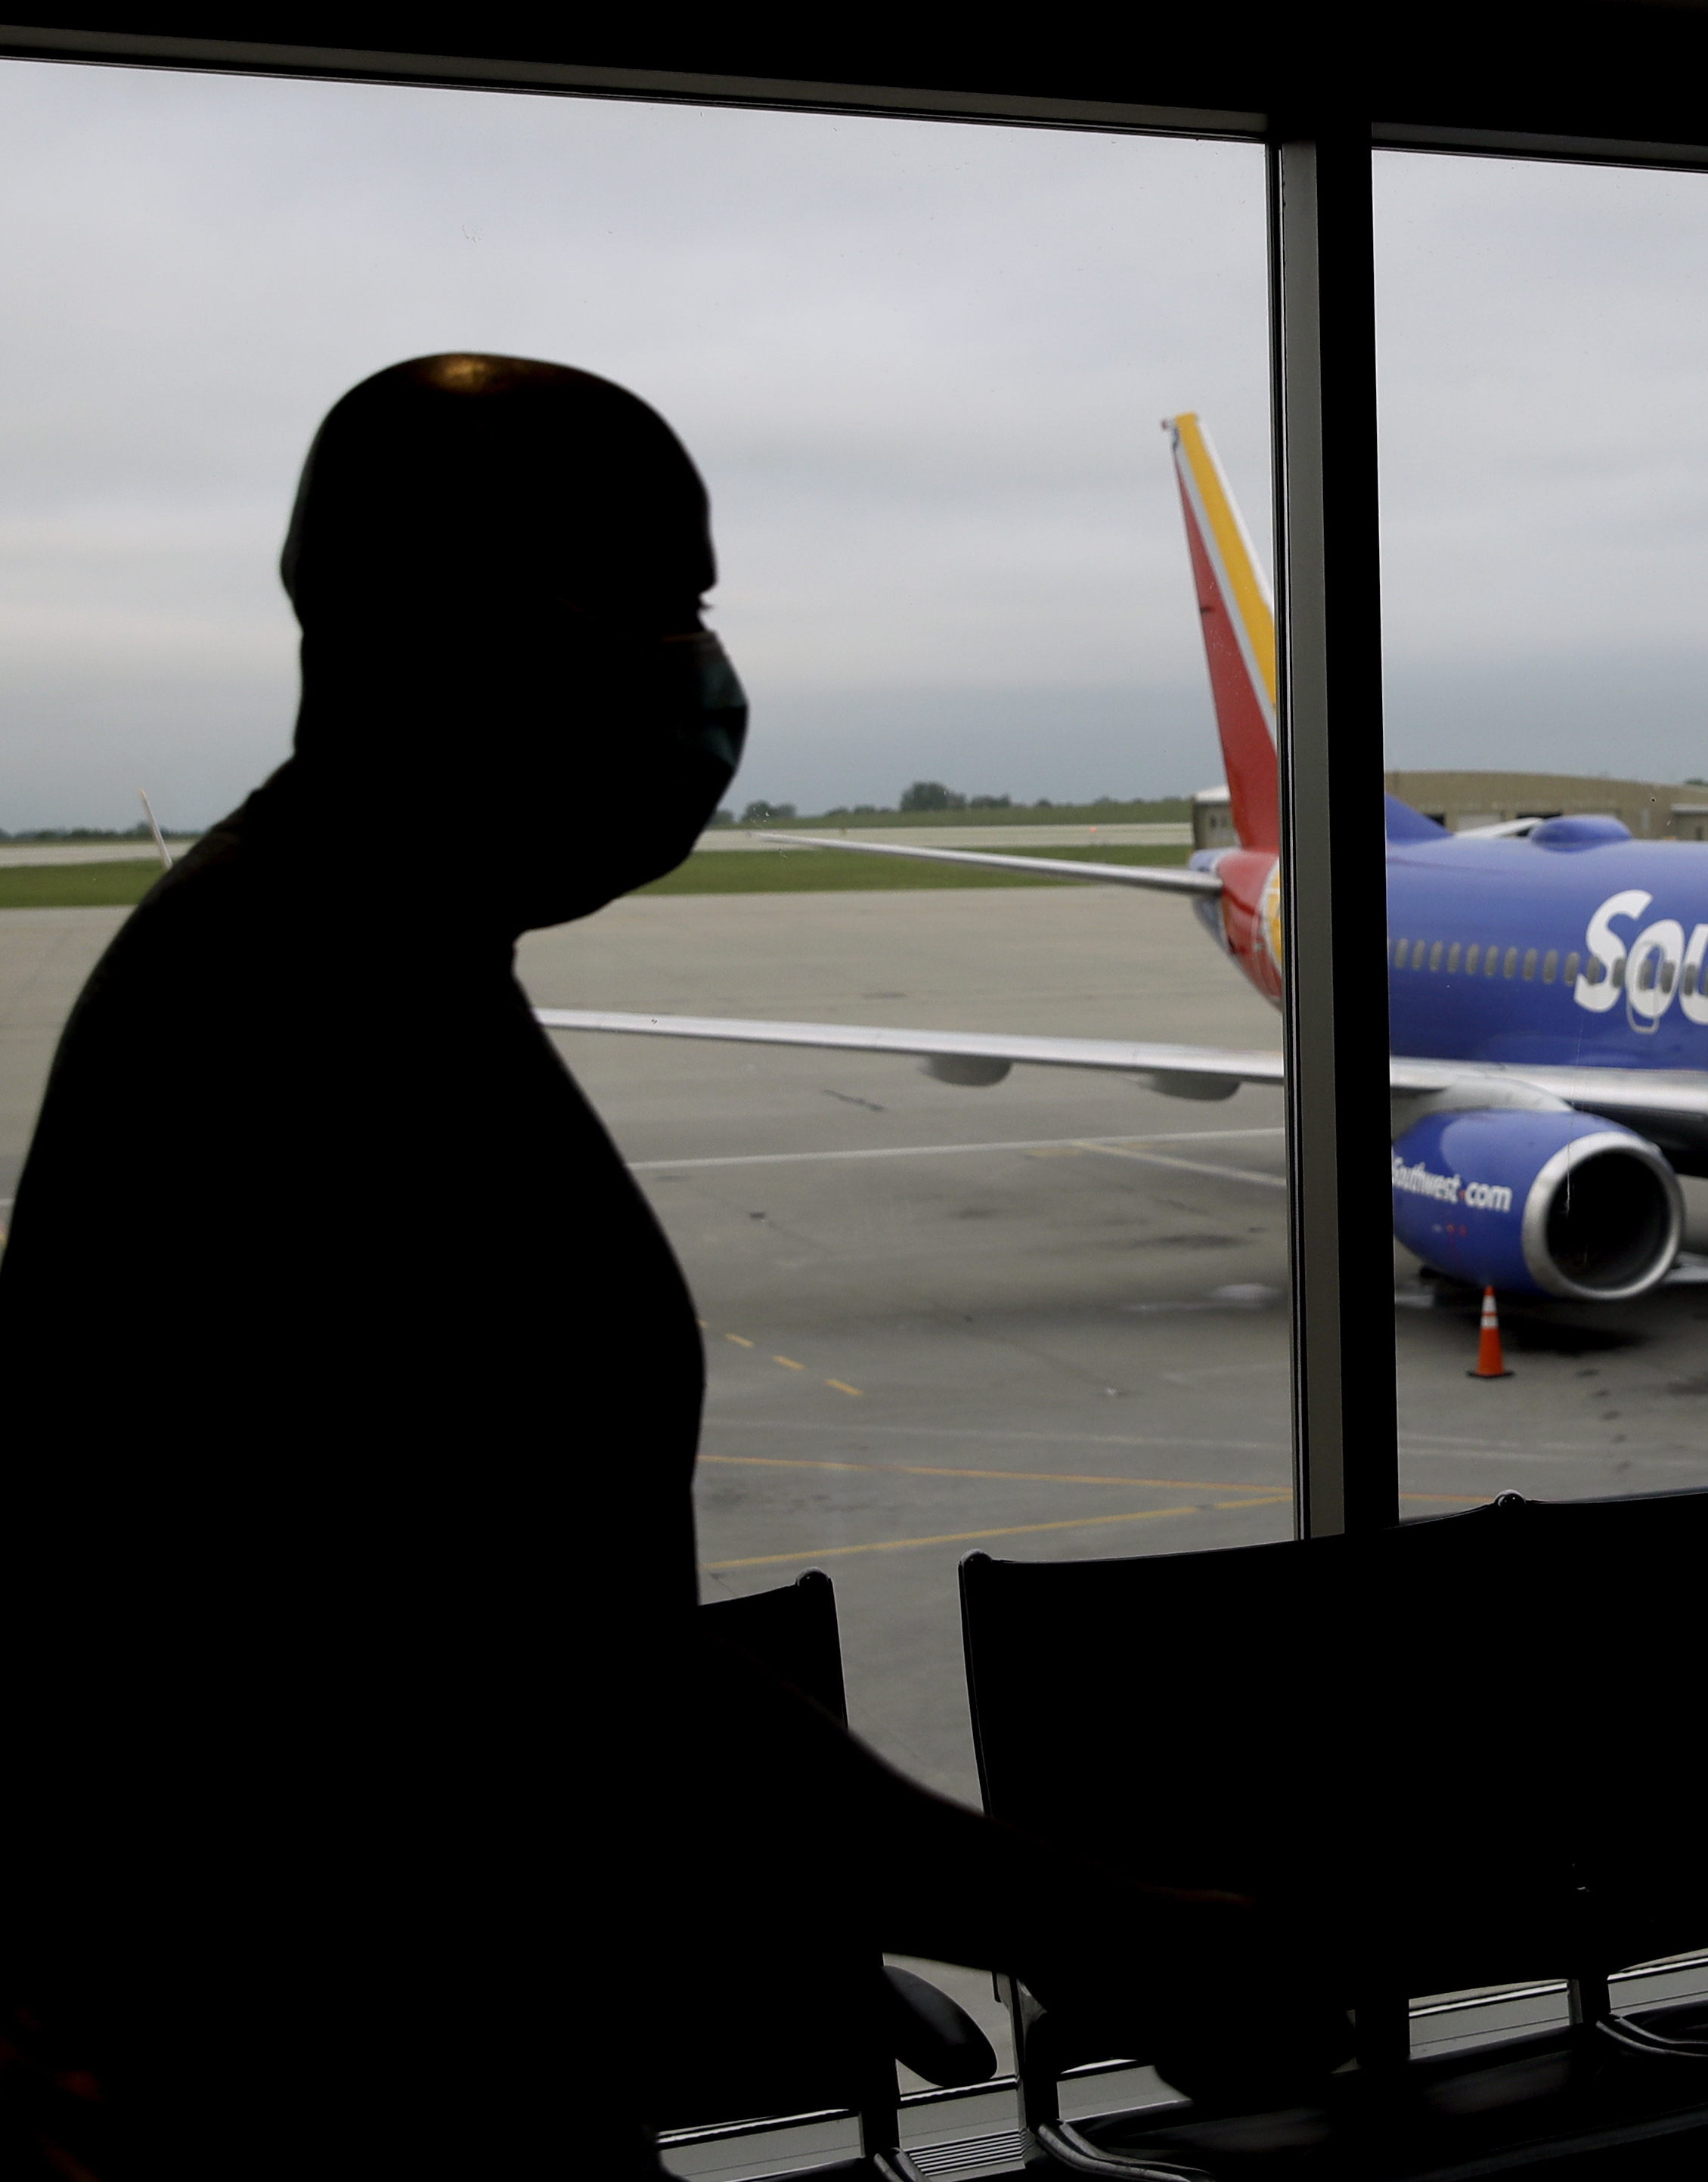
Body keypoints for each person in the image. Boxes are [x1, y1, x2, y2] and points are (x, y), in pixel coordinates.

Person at [0, 355, 1338, 2179]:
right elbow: (556, 1686)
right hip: (332, 2093)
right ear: (472, 616)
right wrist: (1108, 1929)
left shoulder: (357, 962)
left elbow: (511, 1654)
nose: (702, 675)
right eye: (669, 605)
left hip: (414, 2043)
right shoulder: (302, 1027)